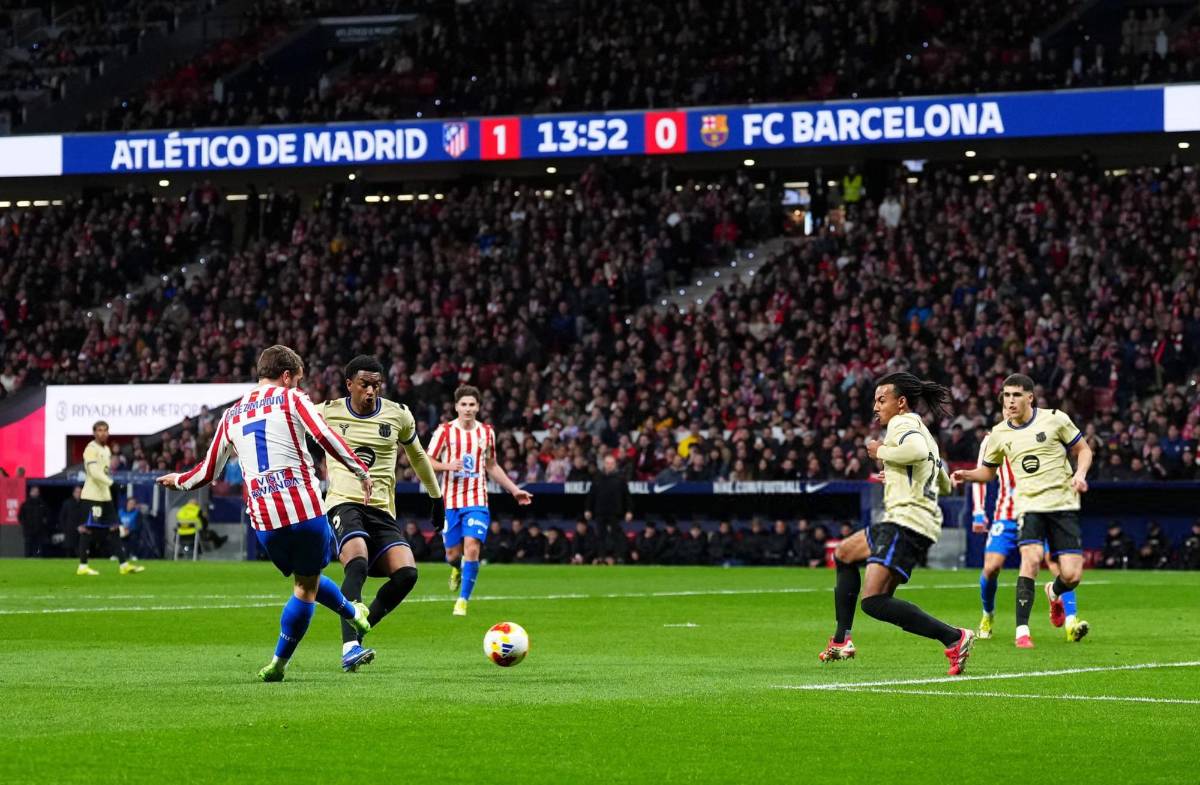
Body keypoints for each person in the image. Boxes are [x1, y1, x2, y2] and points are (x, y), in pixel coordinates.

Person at [157, 345, 374, 682]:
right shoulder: (293, 399)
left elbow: (208, 471)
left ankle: (353, 614)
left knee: (307, 579)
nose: (298, 385)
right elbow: (325, 436)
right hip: (303, 509)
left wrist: (179, 481)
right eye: (297, 379)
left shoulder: (231, 415)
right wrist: (360, 470)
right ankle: (280, 661)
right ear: (287, 375)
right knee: (306, 586)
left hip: (265, 522)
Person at [820, 372, 974, 675]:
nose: (876, 407)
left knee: (874, 602)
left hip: (906, 520)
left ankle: (953, 637)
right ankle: (841, 640)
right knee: (844, 554)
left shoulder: (901, 424)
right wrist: (897, 473)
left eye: (882, 400)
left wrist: (882, 453)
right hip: (912, 520)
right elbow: (942, 482)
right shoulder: (925, 433)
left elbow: (914, 453)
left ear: (901, 402)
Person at [321, 355, 444, 672]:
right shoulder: (327, 412)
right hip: (343, 501)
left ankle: (362, 626)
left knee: (407, 574)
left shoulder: (398, 414)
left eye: (376, 385)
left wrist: (436, 497)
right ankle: (349, 648)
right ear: (350, 384)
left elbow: (417, 457)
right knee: (357, 560)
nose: (371, 391)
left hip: (381, 509)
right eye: (364, 384)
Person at [953, 374, 1093, 648]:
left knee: (1072, 575)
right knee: (1029, 559)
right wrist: (967, 476)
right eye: (1006, 396)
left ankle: (1053, 592)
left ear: (1030, 397)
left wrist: (1080, 474)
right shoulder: (998, 434)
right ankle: (1022, 632)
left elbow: (1083, 449)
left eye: (1016, 395)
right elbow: (987, 471)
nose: (1010, 401)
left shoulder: (1055, 419)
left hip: (1062, 505)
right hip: (1026, 507)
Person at [427, 385, 532, 616]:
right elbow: (427, 461)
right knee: (453, 555)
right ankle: (455, 569)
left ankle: (462, 601)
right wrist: (447, 466)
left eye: (472, 404)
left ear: (478, 407)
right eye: (463, 404)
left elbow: (492, 465)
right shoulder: (444, 431)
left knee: (472, 548)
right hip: (450, 502)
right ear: (456, 407)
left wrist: (515, 490)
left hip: (477, 500)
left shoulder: (486, 432)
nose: (467, 409)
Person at [77, 421, 143, 576]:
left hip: (105, 496)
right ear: (94, 432)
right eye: (99, 430)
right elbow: (94, 472)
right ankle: (83, 566)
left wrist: (110, 485)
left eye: (105, 430)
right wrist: (112, 483)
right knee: (87, 529)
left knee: (114, 529)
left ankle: (124, 565)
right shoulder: (90, 449)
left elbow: (104, 472)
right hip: (92, 496)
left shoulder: (106, 450)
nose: (102, 433)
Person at [586, 454, 634, 562]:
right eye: (607, 463)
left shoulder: (620, 478)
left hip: (615, 512)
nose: (609, 465)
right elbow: (591, 495)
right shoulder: (597, 478)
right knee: (600, 535)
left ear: (615, 465)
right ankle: (601, 557)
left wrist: (629, 511)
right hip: (600, 511)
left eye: (612, 463)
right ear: (604, 464)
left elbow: (627, 496)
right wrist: (588, 509)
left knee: (616, 535)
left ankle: (617, 557)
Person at [19, 486, 48, 557]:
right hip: (28, 531)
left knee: (38, 547)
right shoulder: (25, 504)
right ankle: (27, 561)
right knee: (28, 547)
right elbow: (20, 516)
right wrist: (25, 525)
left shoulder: (42, 504)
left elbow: (47, 516)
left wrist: (43, 524)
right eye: (34, 491)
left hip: (39, 531)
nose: (35, 493)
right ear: (30, 493)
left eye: (37, 492)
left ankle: (38, 560)